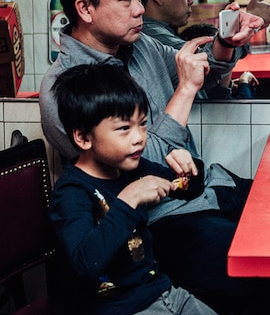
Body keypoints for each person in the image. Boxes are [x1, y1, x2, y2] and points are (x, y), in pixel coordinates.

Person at [38, 0, 266, 313]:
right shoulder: (65, 90)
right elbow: (146, 160)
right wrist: (185, 90)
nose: (140, 9)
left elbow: (201, 76)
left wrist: (224, 46)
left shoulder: (140, 43)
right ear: (85, 8)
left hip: (204, 189)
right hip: (161, 225)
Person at [49, 64, 215, 314]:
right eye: (124, 128)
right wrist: (128, 201)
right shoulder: (72, 192)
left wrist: (189, 168)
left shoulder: (131, 168)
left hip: (163, 294)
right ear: (83, 137)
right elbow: (85, 264)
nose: (139, 137)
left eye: (143, 124)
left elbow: (187, 189)